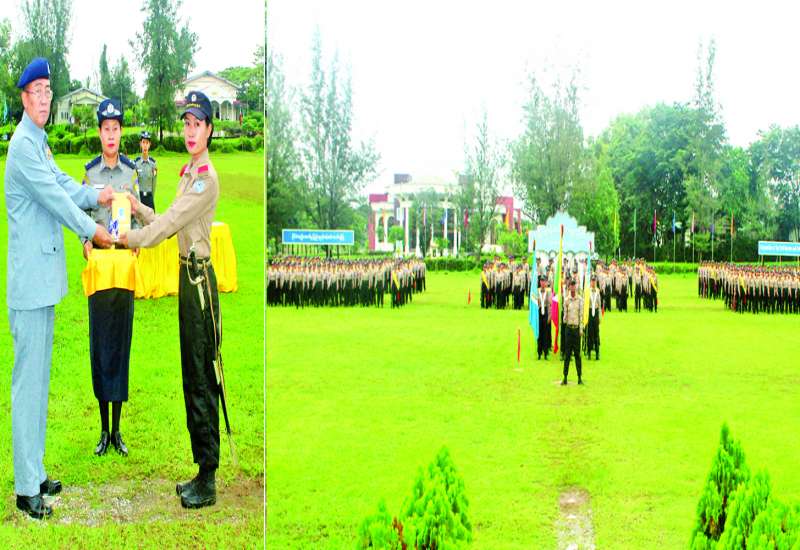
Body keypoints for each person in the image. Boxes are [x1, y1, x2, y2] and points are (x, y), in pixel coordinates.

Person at [5, 57, 113, 519]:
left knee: (39, 383)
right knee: (28, 385)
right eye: (38, 92)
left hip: (42, 283)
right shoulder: (22, 147)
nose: (45, 99)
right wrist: (92, 229)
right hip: (30, 286)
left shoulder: (38, 142)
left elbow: (63, 183)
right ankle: (26, 489)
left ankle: (35, 471)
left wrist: (95, 194)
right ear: (24, 98)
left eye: (49, 91)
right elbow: (53, 199)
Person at [119, 91, 221, 509]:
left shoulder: (205, 179)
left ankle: (208, 477)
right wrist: (135, 206)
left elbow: (166, 227)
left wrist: (127, 238)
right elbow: (165, 218)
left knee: (202, 376)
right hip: (186, 277)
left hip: (199, 284)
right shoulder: (188, 173)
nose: (190, 131)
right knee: (190, 375)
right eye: (186, 124)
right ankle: (201, 469)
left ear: (210, 129)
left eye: (197, 124)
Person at [81, 98, 141, 457]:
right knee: (100, 346)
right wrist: (85, 241)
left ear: (121, 132)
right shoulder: (89, 174)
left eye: (116, 129)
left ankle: (118, 430)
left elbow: (140, 214)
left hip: (123, 268)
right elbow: (80, 214)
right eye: (106, 129)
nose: (111, 135)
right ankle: (103, 429)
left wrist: (137, 243)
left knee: (120, 345)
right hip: (101, 268)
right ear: (99, 133)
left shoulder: (130, 174)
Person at [561, 278, 584, 385]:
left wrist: (581, 329)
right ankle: (565, 377)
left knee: (577, 355)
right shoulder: (566, 300)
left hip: (576, 330)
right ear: (569, 287)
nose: (573, 287)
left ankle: (579, 377)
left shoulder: (580, 300)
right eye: (571, 285)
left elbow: (581, 316)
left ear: (576, 286)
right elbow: (564, 318)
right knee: (567, 355)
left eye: (574, 285)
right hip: (569, 330)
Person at [134, 130, 157, 211]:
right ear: (140, 144)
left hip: (149, 198)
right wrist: (137, 198)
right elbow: (135, 183)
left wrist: (151, 197)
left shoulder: (153, 164)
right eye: (143, 142)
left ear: (149, 145)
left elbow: (154, 183)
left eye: (147, 143)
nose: (145, 145)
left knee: (152, 218)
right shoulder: (136, 163)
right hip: (139, 198)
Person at [585, 276, 601, 360]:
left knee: (596, 334)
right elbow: (585, 305)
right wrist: (585, 318)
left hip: (596, 313)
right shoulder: (587, 291)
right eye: (592, 281)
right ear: (590, 282)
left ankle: (597, 352)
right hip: (590, 313)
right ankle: (589, 352)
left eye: (594, 281)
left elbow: (599, 303)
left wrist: (600, 317)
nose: (593, 282)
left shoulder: (598, 291)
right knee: (590, 334)